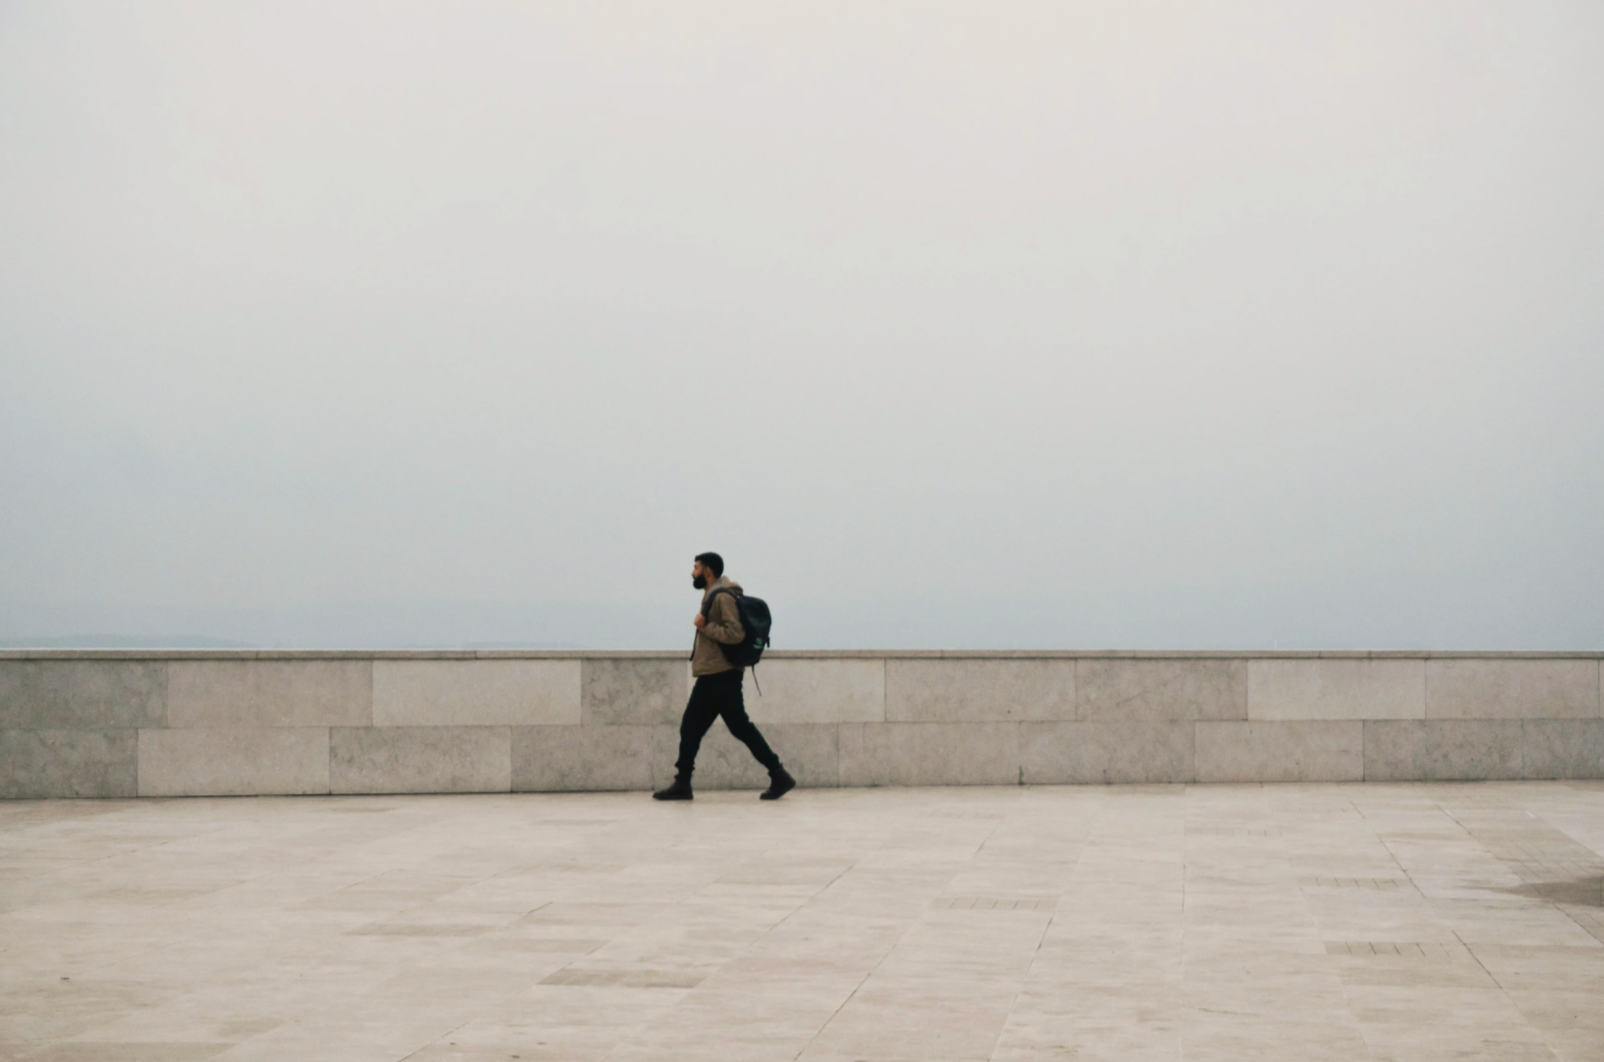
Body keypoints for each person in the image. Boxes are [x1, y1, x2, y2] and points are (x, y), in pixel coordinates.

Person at [653, 552, 795, 802]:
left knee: (740, 727)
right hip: (711, 676)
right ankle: (682, 783)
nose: (692, 573)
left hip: (723, 676)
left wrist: (704, 627)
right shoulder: (713, 595)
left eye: (695, 568)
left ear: (708, 571)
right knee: (691, 727)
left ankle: (778, 773)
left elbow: (736, 633)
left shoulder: (721, 597)